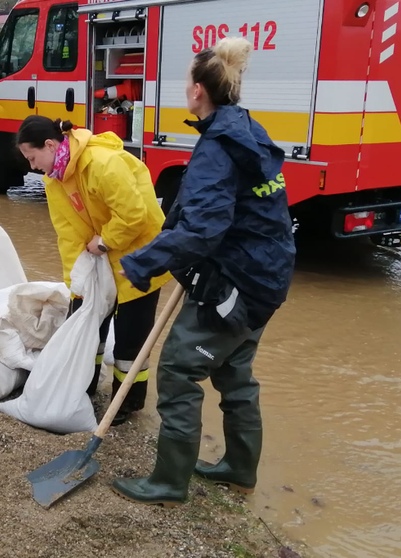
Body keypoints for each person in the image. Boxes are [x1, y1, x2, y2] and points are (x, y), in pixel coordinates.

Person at [111, 37, 296, 506]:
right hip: (269, 276)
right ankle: (239, 468)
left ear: (198, 91)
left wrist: (141, 263)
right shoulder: (245, 129)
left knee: (177, 370)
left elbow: (201, 231)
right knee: (235, 373)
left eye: (185, 82)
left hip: (239, 282)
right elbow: (223, 214)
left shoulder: (217, 147)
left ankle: (169, 483)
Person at [16, 115, 171, 426]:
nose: (33, 167)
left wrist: (105, 242)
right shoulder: (55, 180)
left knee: (130, 339)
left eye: (33, 158)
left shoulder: (102, 163)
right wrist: (77, 282)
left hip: (138, 258)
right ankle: (82, 389)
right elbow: (68, 233)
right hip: (98, 262)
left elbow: (134, 215)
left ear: (50, 145)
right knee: (86, 328)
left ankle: (126, 403)